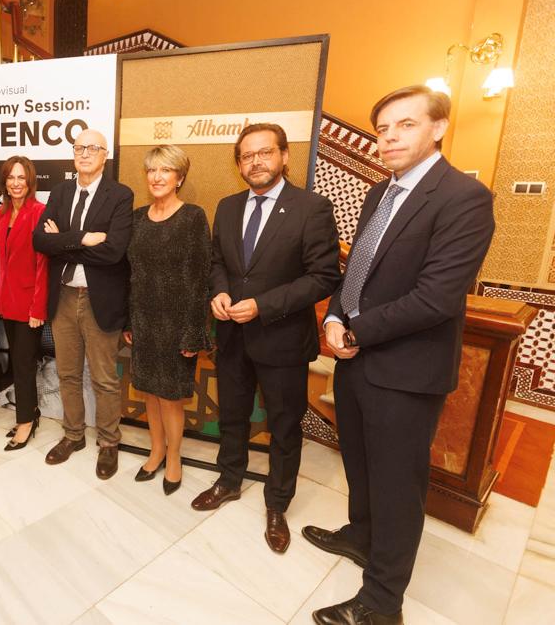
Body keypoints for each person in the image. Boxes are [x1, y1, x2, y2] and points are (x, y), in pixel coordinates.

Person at [304, 86, 495, 625]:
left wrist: (357, 330)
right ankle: (361, 537)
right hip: (358, 358)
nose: (388, 138)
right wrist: (336, 315)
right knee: (360, 464)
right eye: (383, 128)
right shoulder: (378, 193)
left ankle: (382, 602)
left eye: (405, 125)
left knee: (397, 485)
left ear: (438, 128)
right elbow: (357, 268)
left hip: (407, 369)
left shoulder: (464, 197)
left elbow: (436, 298)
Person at [191, 123, 340, 554]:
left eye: (264, 152)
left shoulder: (311, 208)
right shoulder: (228, 206)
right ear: (238, 163)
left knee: (283, 426)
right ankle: (230, 480)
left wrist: (263, 305)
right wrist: (217, 292)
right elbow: (218, 261)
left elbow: (324, 276)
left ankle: (277, 503)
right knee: (232, 417)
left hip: (283, 340)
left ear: (284, 156)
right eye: (246, 155)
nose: (255, 161)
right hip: (232, 337)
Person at [33, 129, 133, 479]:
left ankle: (108, 443)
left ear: (105, 155)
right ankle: (73, 435)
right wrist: (83, 239)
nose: (85, 153)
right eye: (79, 147)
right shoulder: (60, 192)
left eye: (93, 148)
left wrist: (64, 240)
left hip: (98, 300)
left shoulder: (120, 195)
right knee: (68, 374)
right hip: (62, 298)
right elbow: (40, 241)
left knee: (105, 378)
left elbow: (114, 251)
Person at [124, 145, 211, 495]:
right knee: (148, 391)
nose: (157, 177)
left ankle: (174, 457)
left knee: (171, 397)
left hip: (177, 323)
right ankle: (155, 450)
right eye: (151, 170)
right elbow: (131, 274)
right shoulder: (137, 217)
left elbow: (200, 277)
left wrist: (194, 332)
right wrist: (130, 321)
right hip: (143, 318)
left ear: (180, 177)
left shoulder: (193, 217)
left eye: (165, 170)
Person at [0, 156, 48, 450]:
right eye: (11, 178)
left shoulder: (39, 212)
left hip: (29, 306)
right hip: (7, 301)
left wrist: (38, 309)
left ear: (30, 182)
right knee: (18, 361)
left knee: (24, 366)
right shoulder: (2, 213)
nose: (16, 183)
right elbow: (2, 263)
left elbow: (43, 264)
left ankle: (26, 422)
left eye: (21, 178)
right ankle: (29, 413)